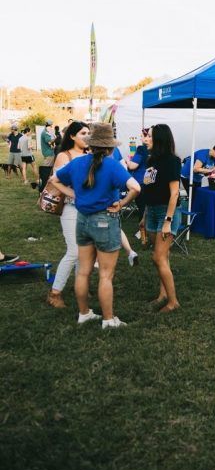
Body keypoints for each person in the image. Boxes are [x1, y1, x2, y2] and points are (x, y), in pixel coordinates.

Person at [51, 123, 140, 328]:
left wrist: (74, 194)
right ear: (109, 148)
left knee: (83, 271)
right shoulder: (111, 165)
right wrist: (122, 204)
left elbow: (54, 179)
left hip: (82, 220)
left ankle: (84, 313)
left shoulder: (77, 162)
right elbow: (135, 187)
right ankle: (108, 320)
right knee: (105, 275)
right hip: (104, 221)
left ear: (90, 144)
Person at [46, 121, 90, 308]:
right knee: (74, 251)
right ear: (72, 136)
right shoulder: (64, 157)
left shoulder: (90, 155)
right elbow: (55, 182)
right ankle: (55, 293)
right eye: (82, 133)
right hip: (71, 209)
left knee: (86, 252)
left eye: (89, 133)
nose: (87, 136)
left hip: (88, 210)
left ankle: (81, 286)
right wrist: (75, 194)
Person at [141, 124, 182, 313]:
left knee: (158, 257)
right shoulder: (151, 160)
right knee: (162, 257)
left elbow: (174, 194)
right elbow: (149, 190)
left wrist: (168, 221)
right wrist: (144, 216)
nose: (145, 139)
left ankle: (173, 302)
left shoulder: (172, 161)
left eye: (149, 136)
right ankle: (162, 295)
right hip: (152, 211)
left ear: (159, 139)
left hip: (167, 212)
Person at [125, 129, 150, 220]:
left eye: (142, 136)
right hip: (151, 182)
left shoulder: (141, 149)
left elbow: (132, 166)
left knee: (142, 208)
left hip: (140, 182)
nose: (141, 138)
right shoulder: (157, 149)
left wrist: (126, 162)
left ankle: (142, 232)